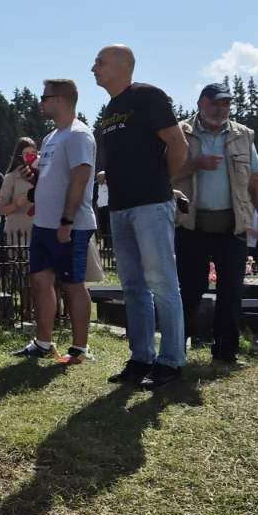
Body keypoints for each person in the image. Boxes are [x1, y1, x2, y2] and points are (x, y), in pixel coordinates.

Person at [93, 44, 188, 388]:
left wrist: (161, 184)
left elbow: (177, 144)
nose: (94, 68)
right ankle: (141, 358)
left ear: (122, 66)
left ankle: (172, 361)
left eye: (100, 62)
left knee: (163, 284)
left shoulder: (147, 96)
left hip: (150, 206)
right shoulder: (110, 109)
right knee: (133, 288)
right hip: (120, 208)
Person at [173, 82, 258, 365]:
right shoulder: (181, 133)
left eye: (226, 104)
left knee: (231, 291)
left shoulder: (242, 135)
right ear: (201, 103)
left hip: (232, 227)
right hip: (191, 226)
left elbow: (256, 180)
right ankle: (176, 349)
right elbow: (162, 173)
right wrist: (195, 164)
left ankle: (226, 352)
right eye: (215, 103)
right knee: (190, 289)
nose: (221, 109)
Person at [13, 82, 97, 366]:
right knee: (40, 280)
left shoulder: (78, 135)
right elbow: (51, 178)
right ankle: (44, 343)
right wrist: (33, 178)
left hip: (69, 225)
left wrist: (67, 220)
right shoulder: (51, 137)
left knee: (73, 284)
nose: (40, 103)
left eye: (44, 98)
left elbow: (80, 177)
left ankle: (79, 348)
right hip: (44, 224)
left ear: (60, 100)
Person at [0, 137, 37, 245]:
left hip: (38, 229)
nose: (31, 156)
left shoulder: (42, 175)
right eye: (26, 153)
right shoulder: (11, 177)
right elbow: (2, 210)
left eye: (33, 152)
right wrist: (18, 203)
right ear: (20, 155)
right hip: (17, 232)